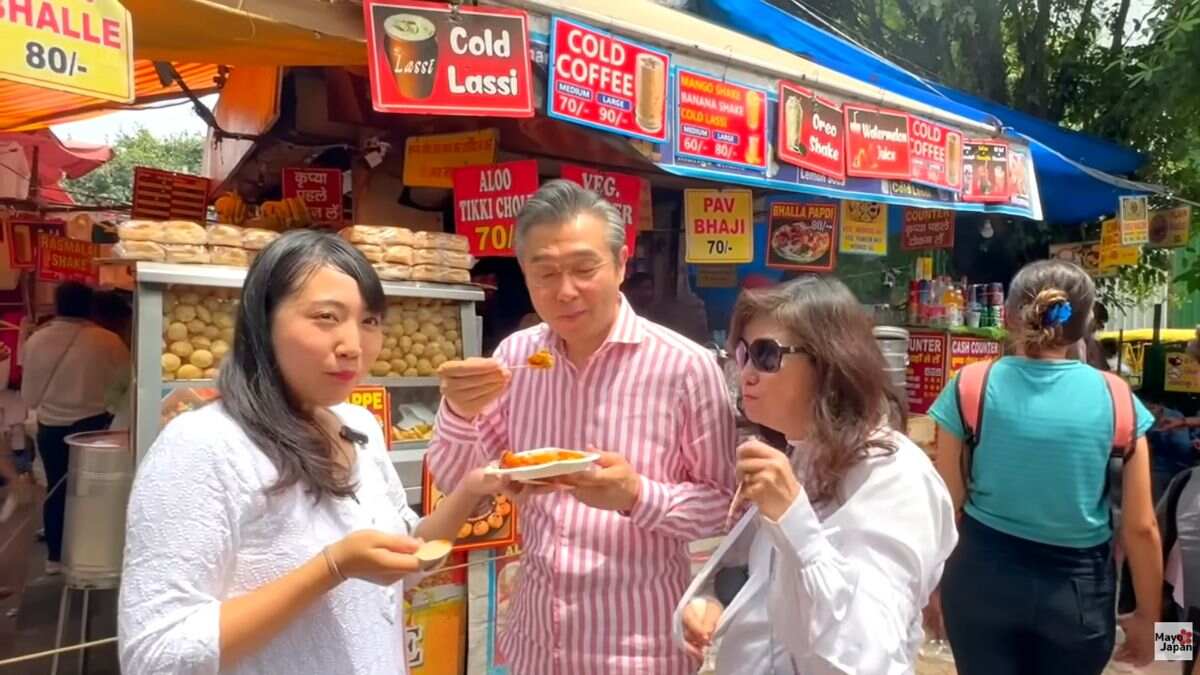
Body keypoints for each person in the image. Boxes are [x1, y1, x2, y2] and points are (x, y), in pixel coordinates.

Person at [118, 231, 504, 674]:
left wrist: (471, 490)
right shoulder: (204, 446)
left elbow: (405, 562)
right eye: (326, 316)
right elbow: (154, 655)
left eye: (370, 321)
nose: (353, 345)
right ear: (263, 321)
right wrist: (331, 568)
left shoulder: (358, 425)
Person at [427, 180, 737, 674]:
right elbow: (457, 480)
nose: (565, 290)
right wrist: (460, 412)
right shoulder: (516, 357)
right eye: (544, 272)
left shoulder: (686, 367)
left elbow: (722, 504)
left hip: (638, 648)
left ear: (620, 263)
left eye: (583, 269)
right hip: (535, 645)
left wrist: (637, 495)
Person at [674, 276, 957, 673]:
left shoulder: (893, 476)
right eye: (741, 354)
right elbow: (767, 584)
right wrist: (717, 604)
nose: (747, 373)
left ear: (829, 362)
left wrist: (794, 521)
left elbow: (862, 654)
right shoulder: (801, 456)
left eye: (766, 355)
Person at [929, 260, 1162, 673]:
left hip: (980, 578)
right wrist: (1149, 616)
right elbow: (1140, 528)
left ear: (1009, 315)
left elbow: (946, 505)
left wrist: (931, 589)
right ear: (1087, 321)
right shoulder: (1117, 399)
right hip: (1077, 593)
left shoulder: (971, 385)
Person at [20, 281, 128, 575]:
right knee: (92, 492)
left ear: (57, 305)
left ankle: (55, 555)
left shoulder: (36, 340)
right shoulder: (108, 341)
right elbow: (124, 385)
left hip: (51, 427)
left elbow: (28, 394)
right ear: (90, 305)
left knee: (56, 488)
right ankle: (90, 551)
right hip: (94, 426)